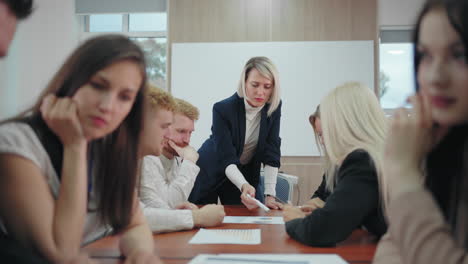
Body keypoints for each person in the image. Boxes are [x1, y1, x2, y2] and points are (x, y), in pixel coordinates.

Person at [0, 35, 162, 263]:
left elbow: (134, 223)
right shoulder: (15, 144)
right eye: (98, 86)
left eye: (124, 97)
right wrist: (75, 145)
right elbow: (61, 252)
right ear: (71, 81)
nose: (107, 106)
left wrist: (141, 253)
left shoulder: (109, 147)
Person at [374, 0, 468, 263]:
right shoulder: (445, 148)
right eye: (426, 55)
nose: (436, 77)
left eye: (459, 55)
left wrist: (404, 175)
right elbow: (391, 251)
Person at [283, 82, 388, 247]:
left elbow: (320, 230)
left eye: (326, 132)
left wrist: (295, 219)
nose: (324, 141)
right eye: (320, 135)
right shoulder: (377, 155)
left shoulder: (362, 161)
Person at [188, 56, 283, 210]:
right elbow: (226, 156)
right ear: (244, 82)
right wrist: (243, 184)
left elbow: (271, 150)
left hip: (243, 170)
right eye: (255, 85)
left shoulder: (273, 108)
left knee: (248, 216)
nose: (260, 92)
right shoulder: (223, 109)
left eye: (267, 86)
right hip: (211, 167)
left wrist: (269, 195)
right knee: (202, 216)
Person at [139, 91, 225, 233]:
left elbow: (163, 206)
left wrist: (178, 211)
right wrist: (190, 163)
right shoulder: (148, 156)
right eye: (181, 131)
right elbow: (160, 207)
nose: (187, 140)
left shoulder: (177, 159)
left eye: (190, 133)